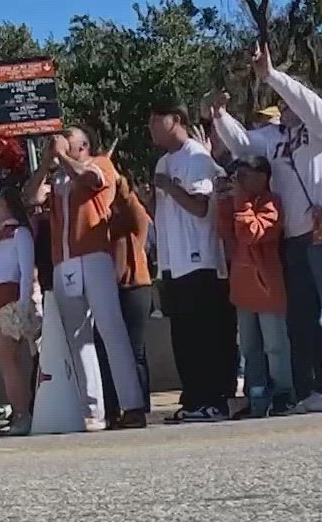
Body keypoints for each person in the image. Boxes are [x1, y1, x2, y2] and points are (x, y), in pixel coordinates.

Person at [209, 43, 322, 413]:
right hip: (292, 241)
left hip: (319, 235)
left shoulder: (318, 128)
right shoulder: (274, 139)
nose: (286, 110)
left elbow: (307, 101)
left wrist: (270, 75)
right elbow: (243, 145)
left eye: (289, 103)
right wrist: (220, 115)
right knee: (303, 320)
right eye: (284, 105)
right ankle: (312, 388)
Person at [22, 126, 147, 430]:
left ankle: (132, 405)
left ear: (84, 145)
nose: (60, 141)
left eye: (68, 138)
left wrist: (62, 156)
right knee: (78, 340)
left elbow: (91, 180)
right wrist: (45, 164)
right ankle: (93, 411)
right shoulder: (58, 176)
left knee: (111, 331)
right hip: (64, 261)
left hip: (94, 258)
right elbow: (29, 197)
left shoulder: (99, 163)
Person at [154, 102, 235, 423]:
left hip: (199, 260)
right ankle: (193, 399)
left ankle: (214, 400)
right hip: (173, 263)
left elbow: (201, 207)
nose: (152, 129)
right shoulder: (163, 161)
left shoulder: (196, 157)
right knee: (184, 337)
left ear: (178, 121)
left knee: (206, 335)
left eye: (158, 122)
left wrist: (170, 187)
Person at [216, 156, 292, 417]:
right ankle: (256, 395)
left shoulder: (273, 202)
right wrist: (225, 200)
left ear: (262, 176)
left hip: (268, 286)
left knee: (275, 345)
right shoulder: (240, 201)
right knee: (249, 347)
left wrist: (240, 201)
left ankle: (283, 393)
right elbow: (226, 231)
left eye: (245, 175)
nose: (242, 181)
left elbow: (253, 233)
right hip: (243, 287)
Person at [0, 168, 39, 434]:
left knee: (7, 361)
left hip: (9, 300)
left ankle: (23, 415)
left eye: (0, 204)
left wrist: (24, 305)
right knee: (4, 365)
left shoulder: (21, 234)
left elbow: (27, 271)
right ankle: (21, 412)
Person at [98, 173, 155, 421]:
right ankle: (111, 408)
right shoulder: (100, 216)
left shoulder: (128, 212)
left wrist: (119, 182)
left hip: (134, 286)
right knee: (105, 349)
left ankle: (138, 408)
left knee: (134, 350)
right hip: (108, 287)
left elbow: (139, 216)